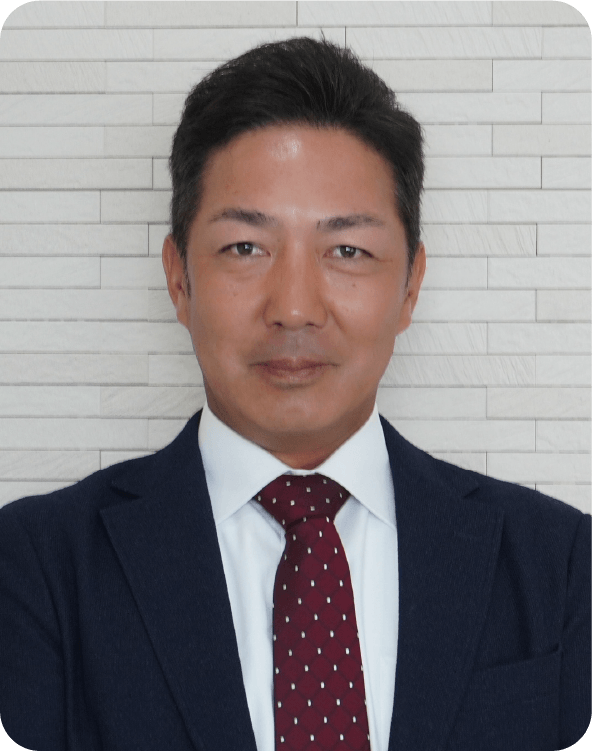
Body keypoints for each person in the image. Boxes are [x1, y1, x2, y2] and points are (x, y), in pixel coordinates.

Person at [0, 37, 590, 751]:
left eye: (348, 251)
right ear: (179, 279)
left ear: (410, 286)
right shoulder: (34, 566)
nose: (295, 308)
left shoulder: (561, 563)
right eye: (245, 248)